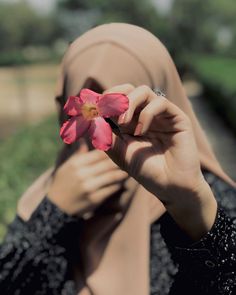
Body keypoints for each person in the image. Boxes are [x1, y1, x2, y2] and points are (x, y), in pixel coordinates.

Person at [0, 23, 235, 295]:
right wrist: (55, 210)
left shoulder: (211, 199)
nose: (103, 141)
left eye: (120, 119)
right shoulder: (50, 195)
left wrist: (191, 207)